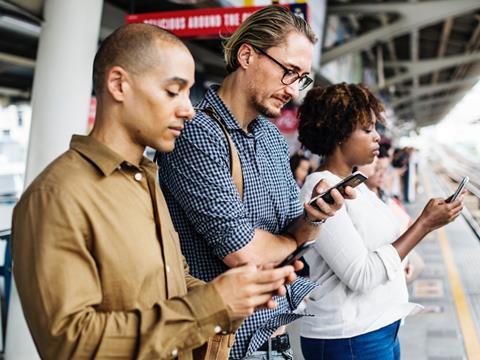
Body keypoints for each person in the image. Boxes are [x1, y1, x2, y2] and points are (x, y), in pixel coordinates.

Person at [11, 24, 302, 360]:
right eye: (172, 91)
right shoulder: (56, 196)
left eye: (188, 93)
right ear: (119, 85)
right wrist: (213, 303)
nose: (188, 109)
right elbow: (70, 343)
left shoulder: (146, 180)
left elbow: (173, 284)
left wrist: (238, 296)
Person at [158, 6, 354, 359]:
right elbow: (243, 252)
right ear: (247, 54)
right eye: (289, 72)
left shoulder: (271, 138)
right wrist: (294, 235)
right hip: (224, 347)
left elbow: (294, 237)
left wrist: (314, 217)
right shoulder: (197, 133)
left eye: (302, 78)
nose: (293, 90)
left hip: (276, 343)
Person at [296, 83, 464, 360]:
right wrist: (424, 224)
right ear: (340, 133)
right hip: (349, 338)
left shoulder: (355, 186)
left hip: (377, 329)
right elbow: (362, 275)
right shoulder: (322, 189)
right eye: (367, 129)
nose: (378, 138)